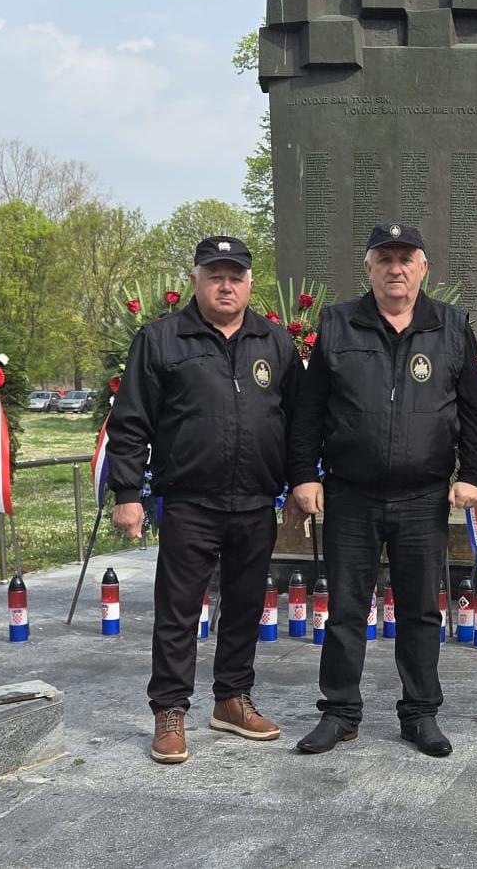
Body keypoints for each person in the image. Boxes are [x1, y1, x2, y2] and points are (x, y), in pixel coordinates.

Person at [287, 223, 477, 758]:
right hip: (351, 494)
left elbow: (473, 410)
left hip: (423, 496)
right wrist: (304, 474)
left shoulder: (450, 326)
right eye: (385, 258)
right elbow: (309, 411)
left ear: (424, 268)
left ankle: (420, 714)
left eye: (406, 258)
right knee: (347, 608)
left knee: (421, 610)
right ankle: (339, 713)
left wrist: (472, 473)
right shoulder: (336, 324)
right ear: (369, 267)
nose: (395, 268)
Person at [106, 236, 300, 765]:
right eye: (215, 274)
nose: (225, 284)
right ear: (195, 279)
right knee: (178, 611)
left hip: (256, 499)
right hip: (190, 501)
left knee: (244, 605)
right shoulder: (162, 339)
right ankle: (170, 710)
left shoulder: (275, 343)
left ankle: (232, 699)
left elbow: (300, 422)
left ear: (249, 283)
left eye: (235, 275)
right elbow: (130, 421)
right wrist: (128, 493)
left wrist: (302, 482)